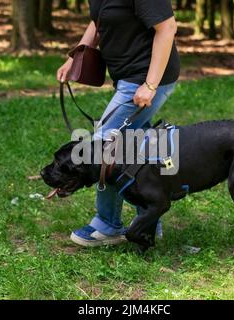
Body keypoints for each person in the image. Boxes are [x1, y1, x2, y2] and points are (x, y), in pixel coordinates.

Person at [56, 0, 180, 247]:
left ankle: (107, 224)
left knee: (103, 149)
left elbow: (167, 28)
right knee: (137, 150)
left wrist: (151, 85)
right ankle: (148, 220)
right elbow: (98, 20)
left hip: (145, 79)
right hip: (127, 79)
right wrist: (77, 55)